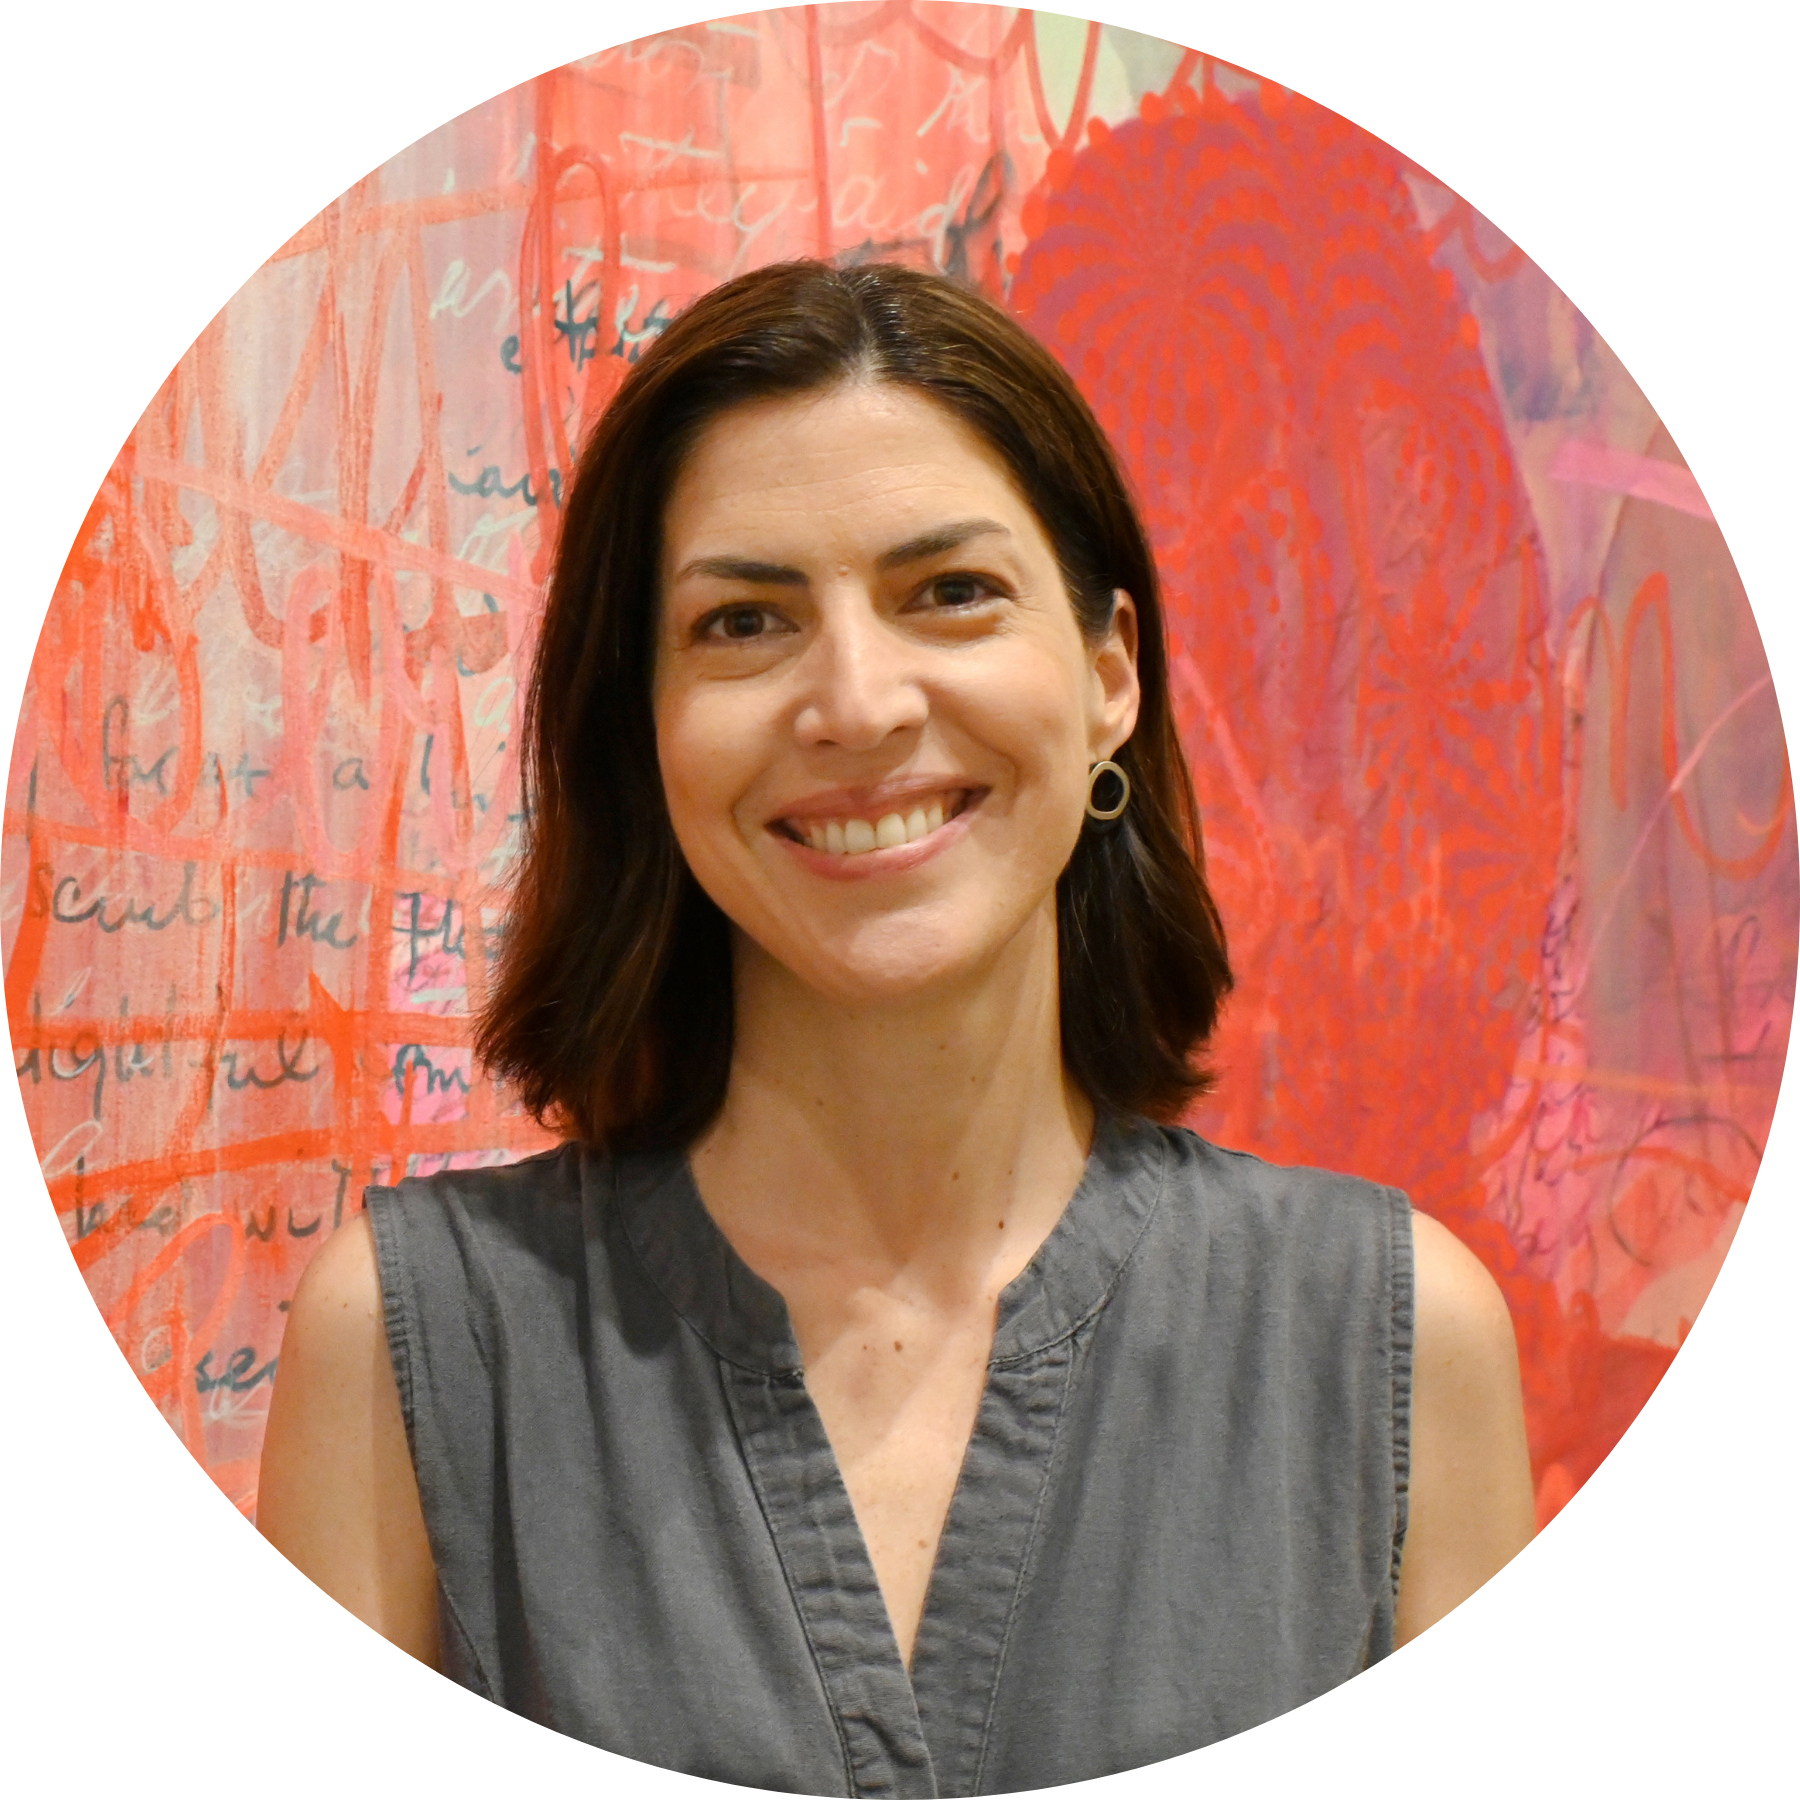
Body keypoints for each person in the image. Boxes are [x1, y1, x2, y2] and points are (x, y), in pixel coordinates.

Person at [257, 259, 1534, 1794]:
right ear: (643, 729)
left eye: (951, 593)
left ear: (1110, 672)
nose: (857, 705)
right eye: (743, 622)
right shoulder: (409, 1351)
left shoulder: (1396, 1346)